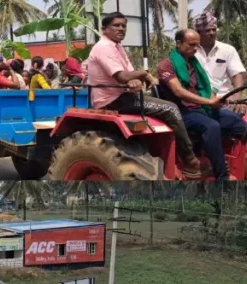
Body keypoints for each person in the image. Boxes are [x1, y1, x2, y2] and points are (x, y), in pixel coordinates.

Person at [85, 12, 201, 178]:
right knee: (171, 109)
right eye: (116, 25)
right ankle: (189, 160)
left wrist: (134, 79)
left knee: (164, 105)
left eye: (123, 25)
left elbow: (128, 74)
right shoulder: (104, 47)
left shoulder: (116, 46)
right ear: (104, 29)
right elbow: (122, 76)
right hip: (112, 100)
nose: (121, 29)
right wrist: (144, 75)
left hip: (123, 95)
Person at [157, 29, 247, 181]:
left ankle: (241, 162)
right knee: (211, 126)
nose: (195, 48)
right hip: (181, 112)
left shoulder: (194, 64)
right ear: (178, 43)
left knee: (240, 125)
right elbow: (179, 91)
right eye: (191, 44)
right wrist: (210, 102)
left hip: (200, 109)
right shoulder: (166, 65)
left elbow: (205, 89)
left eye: (197, 45)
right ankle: (222, 176)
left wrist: (218, 99)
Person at [192, 12, 247, 114]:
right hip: (201, 100)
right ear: (198, 32)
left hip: (226, 99)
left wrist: (237, 100)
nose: (212, 33)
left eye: (214, 29)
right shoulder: (191, 51)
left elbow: (237, 74)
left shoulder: (227, 50)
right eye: (208, 30)